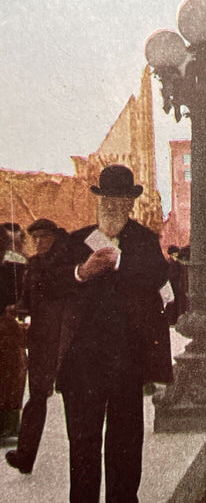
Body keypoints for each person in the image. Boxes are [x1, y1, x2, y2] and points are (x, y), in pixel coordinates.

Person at [54, 165, 173, 503]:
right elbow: (46, 282)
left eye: (122, 199)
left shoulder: (143, 241)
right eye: (108, 199)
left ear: (131, 203)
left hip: (125, 363)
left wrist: (120, 263)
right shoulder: (77, 241)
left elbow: (158, 275)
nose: (115, 205)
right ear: (99, 200)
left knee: (125, 448)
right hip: (81, 366)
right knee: (83, 448)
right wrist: (82, 272)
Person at [5, 219, 70, 474]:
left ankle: (83, 454)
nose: (40, 242)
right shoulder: (33, 265)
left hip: (68, 340)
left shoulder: (66, 262)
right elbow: (28, 300)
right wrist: (17, 308)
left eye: (44, 236)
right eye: (36, 238)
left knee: (75, 400)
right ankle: (25, 456)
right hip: (42, 340)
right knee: (37, 398)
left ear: (54, 236)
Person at [0, 224, 27, 440]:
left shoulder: (20, 262)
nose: (12, 247)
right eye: (8, 242)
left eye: (17, 241)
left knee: (12, 376)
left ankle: (10, 423)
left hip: (10, 327)